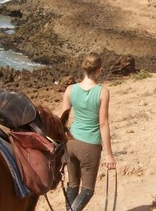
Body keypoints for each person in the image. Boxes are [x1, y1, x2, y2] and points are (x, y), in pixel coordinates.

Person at [61, 52, 116, 211]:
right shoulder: (102, 92)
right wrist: (109, 154)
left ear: (84, 68)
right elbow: (103, 123)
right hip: (90, 146)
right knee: (87, 189)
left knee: (73, 184)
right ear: (99, 70)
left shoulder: (70, 90)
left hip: (71, 143)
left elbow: (63, 121)